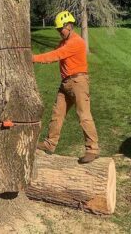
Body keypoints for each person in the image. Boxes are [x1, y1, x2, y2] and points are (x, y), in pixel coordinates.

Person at [32, 11, 99, 164]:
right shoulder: (63, 42)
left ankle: (92, 149)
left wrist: (33, 58)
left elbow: (56, 55)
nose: (59, 32)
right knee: (57, 113)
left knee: (84, 115)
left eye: (60, 28)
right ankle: (50, 144)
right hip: (65, 83)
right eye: (57, 29)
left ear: (69, 26)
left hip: (78, 82)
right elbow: (58, 52)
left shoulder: (76, 42)